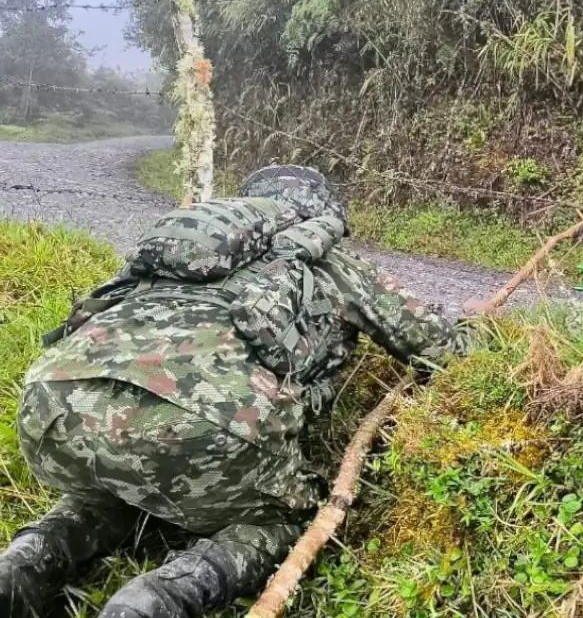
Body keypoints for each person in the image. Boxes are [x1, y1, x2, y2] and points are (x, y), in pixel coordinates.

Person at [0, 166, 476, 618]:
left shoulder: (171, 254)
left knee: (102, 497)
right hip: (204, 426)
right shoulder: (326, 260)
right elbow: (441, 350)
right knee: (287, 517)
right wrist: (475, 326)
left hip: (53, 403)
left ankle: (17, 569)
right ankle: (158, 599)